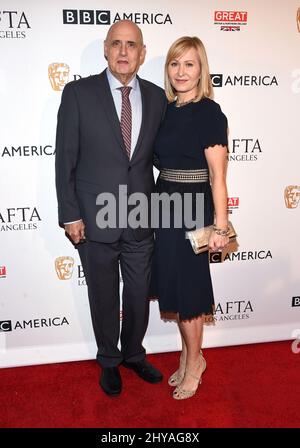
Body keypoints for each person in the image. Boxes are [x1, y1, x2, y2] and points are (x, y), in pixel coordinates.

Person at [55, 20, 167, 396]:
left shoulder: (156, 98)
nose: (123, 51)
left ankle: (134, 354)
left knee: (138, 294)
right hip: (93, 219)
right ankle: (109, 360)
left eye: (131, 45)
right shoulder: (77, 93)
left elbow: (164, 158)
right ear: (106, 49)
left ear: (142, 53)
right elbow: (65, 158)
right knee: (103, 295)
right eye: (116, 44)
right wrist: (70, 214)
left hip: (140, 218)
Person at [150, 36, 229, 400]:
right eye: (174, 64)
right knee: (176, 291)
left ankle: (194, 363)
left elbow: (218, 177)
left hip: (194, 210)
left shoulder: (210, 113)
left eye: (189, 64)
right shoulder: (165, 110)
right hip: (164, 206)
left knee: (191, 294)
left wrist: (220, 226)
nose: (181, 72)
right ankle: (188, 355)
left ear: (201, 70)